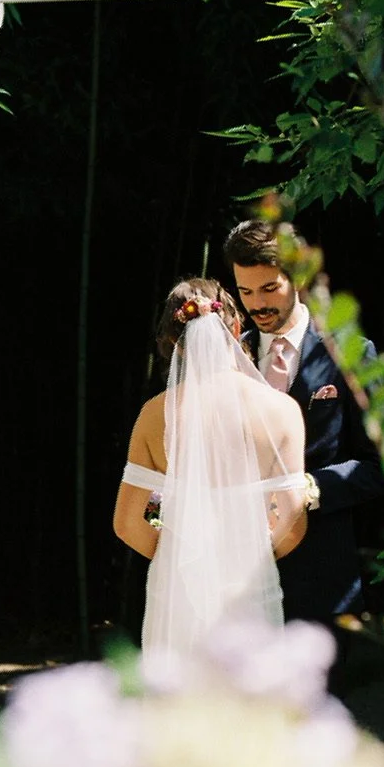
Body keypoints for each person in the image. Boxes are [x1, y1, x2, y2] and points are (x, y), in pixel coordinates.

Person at [113, 279, 309, 657]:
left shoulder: (154, 414)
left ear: (175, 343)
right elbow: (293, 520)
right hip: (251, 583)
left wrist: (178, 552)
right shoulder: (282, 410)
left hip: (177, 589)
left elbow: (128, 522)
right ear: (235, 329)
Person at [221, 220, 384, 625]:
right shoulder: (228, 358)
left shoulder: (348, 353)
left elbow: (380, 466)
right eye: (246, 292)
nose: (257, 304)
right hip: (236, 582)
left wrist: (311, 488)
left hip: (321, 580)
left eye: (269, 288)